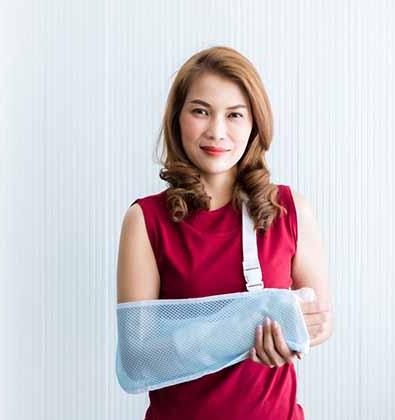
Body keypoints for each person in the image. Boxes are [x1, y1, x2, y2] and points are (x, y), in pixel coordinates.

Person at [116, 46, 334, 420]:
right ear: (177, 118)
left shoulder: (289, 210)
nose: (217, 131)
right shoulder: (145, 220)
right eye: (200, 111)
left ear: (254, 124)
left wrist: (290, 338)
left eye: (234, 115)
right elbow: (138, 358)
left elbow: (320, 321)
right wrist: (251, 326)